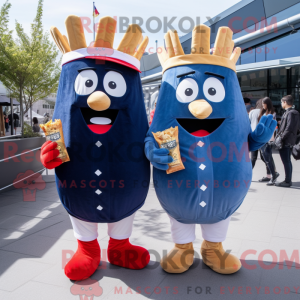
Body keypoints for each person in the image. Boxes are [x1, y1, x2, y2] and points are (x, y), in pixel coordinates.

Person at [275, 95, 300, 187]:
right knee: (287, 161)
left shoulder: (291, 113)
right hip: (289, 140)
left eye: (282, 102)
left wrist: (281, 138)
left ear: (285, 102)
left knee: (286, 161)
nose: (281, 104)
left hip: (286, 141)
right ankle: (287, 180)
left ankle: (287, 181)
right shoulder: (292, 112)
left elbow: (289, 128)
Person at [258, 97, 279, 185]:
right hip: (263, 138)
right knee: (267, 158)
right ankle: (273, 174)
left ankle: (273, 176)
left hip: (268, 139)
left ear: (268, 104)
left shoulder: (272, 114)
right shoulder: (264, 112)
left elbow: (271, 127)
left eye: (264, 104)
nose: (263, 105)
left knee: (267, 158)